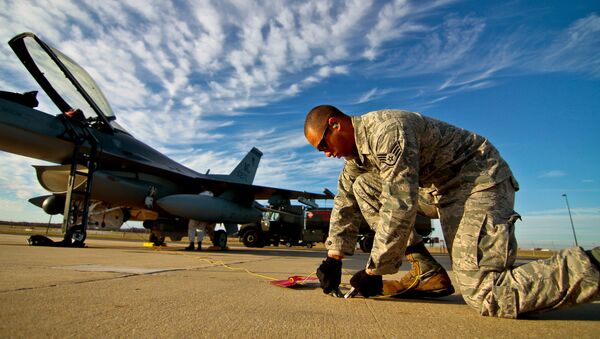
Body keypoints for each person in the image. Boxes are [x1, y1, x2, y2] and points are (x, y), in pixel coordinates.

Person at [304, 105, 600, 318]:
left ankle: (593, 266)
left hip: (477, 183)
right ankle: (426, 271)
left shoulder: (387, 130)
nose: (327, 154)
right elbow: (344, 202)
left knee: (487, 295)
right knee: (362, 187)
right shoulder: (355, 159)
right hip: (437, 190)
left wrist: (373, 270)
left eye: (323, 146)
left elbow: (400, 204)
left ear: (335, 124)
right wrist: (334, 258)